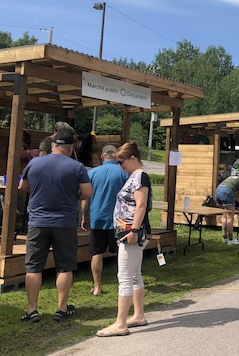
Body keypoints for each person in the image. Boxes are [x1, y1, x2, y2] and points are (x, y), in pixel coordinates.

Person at [18, 130, 93, 323]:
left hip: (37, 222)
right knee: (64, 266)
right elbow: (87, 192)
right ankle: (61, 308)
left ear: (52, 147)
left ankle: (32, 309)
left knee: (33, 267)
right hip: (64, 222)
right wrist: (74, 196)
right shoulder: (77, 166)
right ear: (69, 148)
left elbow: (22, 187)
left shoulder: (34, 163)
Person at [96, 142, 152, 337]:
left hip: (131, 233)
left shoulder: (140, 177)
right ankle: (138, 315)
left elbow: (141, 205)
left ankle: (120, 323)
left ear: (133, 158)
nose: (120, 165)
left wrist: (135, 230)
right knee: (134, 274)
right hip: (127, 232)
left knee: (125, 277)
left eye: (121, 161)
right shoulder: (134, 176)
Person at [81, 145, 130, 296]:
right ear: (116, 157)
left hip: (98, 218)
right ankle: (124, 286)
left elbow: (85, 197)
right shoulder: (123, 172)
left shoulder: (92, 173)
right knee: (123, 252)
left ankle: (97, 287)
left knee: (97, 253)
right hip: (119, 219)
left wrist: (84, 216)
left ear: (102, 157)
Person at [215, 172, 239, 244]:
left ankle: (224, 238)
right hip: (227, 192)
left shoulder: (234, 177)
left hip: (218, 190)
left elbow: (235, 196)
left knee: (224, 216)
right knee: (229, 217)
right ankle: (230, 239)